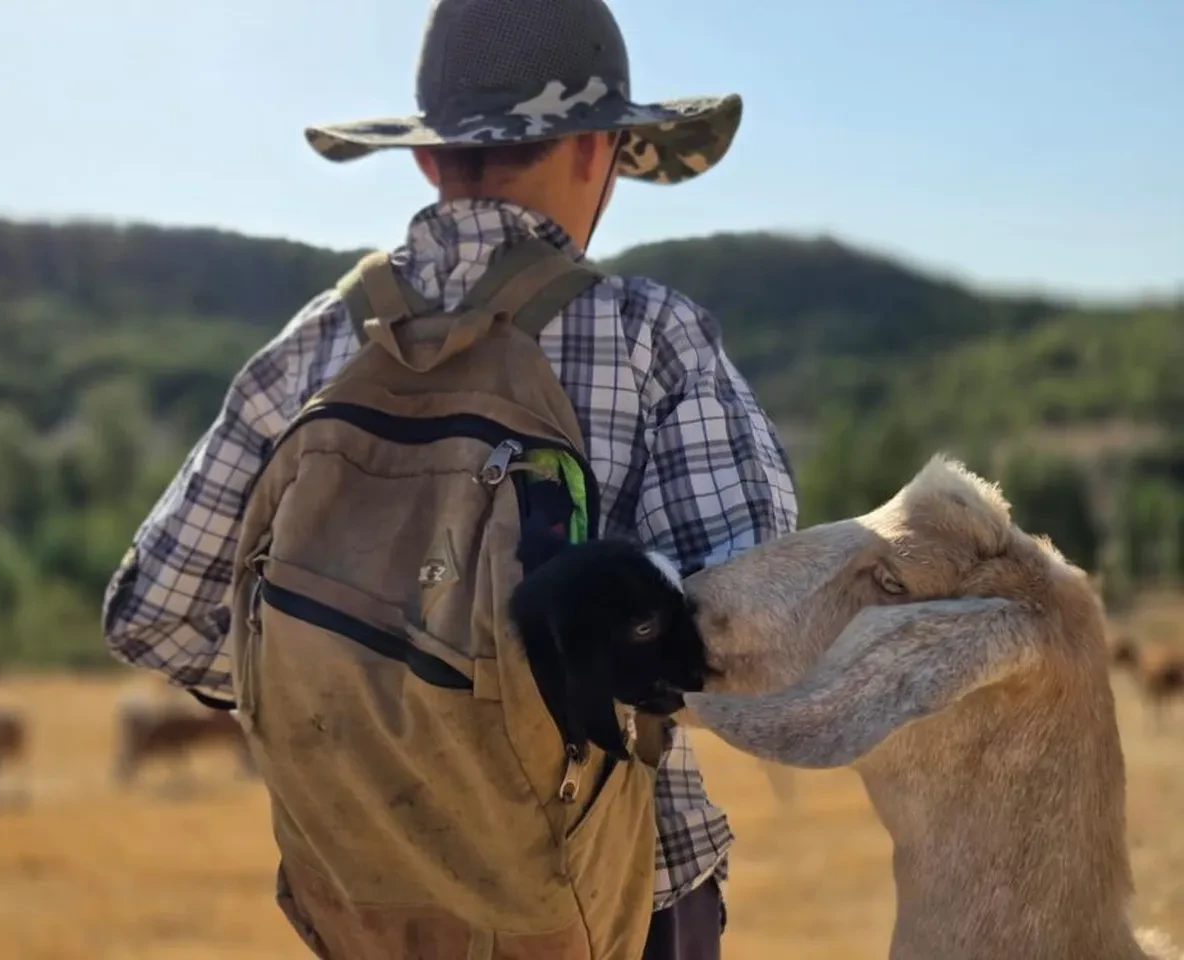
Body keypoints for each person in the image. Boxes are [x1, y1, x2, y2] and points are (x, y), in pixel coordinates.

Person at [101, 0, 797, 956]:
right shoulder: (649, 336)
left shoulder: (315, 345)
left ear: (429, 157)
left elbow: (155, 617)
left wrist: (375, 700)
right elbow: (762, 644)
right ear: (597, 149)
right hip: (615, 910)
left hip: (374, 914)